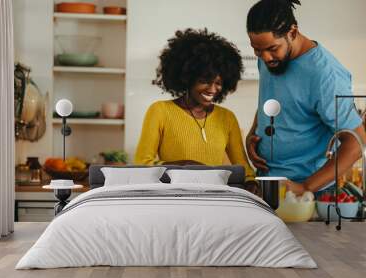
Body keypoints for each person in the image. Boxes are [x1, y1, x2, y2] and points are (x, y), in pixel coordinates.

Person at [245, 0, 366, 196]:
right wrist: (253, 135)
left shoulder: (325, 75)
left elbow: (356, 142)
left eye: (272, 49)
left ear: (292, 32)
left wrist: (305, 188)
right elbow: (272, 100)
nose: (265, 57)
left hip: (307, 192)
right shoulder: (270, 60)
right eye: (257, 50)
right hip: (268, 182)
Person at [134, 28, 257, 190]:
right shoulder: (159, 111)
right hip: (173, 196)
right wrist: (182, 165)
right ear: (187, 78)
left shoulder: (227, 117)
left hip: (213, 197)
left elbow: (243, 168)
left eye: (218, 83)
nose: (212, 89)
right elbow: (142, 164)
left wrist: (251, 182)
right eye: (205, 80)